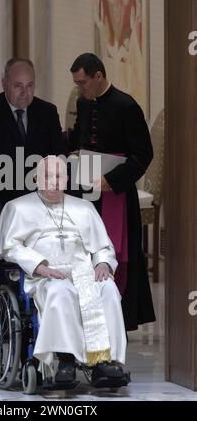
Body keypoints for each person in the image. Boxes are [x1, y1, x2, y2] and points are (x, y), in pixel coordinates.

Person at [0, 58, 64, 377]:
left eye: (30, 86)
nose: (24, 93)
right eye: (18, 86)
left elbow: (56, 163)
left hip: (35, 217)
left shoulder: (47, 113)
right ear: (4, 82)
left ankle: (35, 356)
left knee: (38, 283)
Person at [0, 156, 128, 385]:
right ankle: (66, 361)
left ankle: (106, 361)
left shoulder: (85, 208)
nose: (53, 182)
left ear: (67, 180)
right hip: (42, 277)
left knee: (108, 289)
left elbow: (103, 246)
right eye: (46, 176)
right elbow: (10, 247)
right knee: (61, 291)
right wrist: (40, 267)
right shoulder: (17, 207)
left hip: (83, 273)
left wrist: (102, 263)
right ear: (35, 179)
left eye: (58, 176)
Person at [68, 52, 155, 331]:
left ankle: (117, 319)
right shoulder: (83, 104)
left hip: (116, 194)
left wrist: (112, 180)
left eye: (82, 82)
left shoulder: (126, 106)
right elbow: (79, 138)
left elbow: (143, 155)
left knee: (116, 255)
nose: (79, 89)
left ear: (98, 76)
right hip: (87, 192)